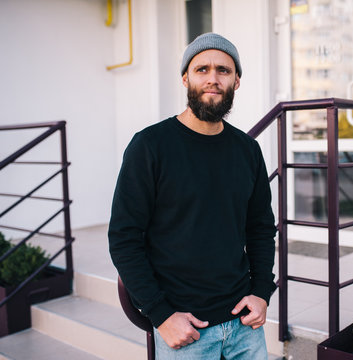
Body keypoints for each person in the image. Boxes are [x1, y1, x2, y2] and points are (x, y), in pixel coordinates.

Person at [108, 32, 277, 360]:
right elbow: (124, 238)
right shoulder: (150, 147)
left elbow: (260, 229)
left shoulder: (248, 151)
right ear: (186, 78)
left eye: (223, 71)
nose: (212, 79)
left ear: (236, 82)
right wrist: (161, 315)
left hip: (245, 326)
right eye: (202, 69)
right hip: (185, 330)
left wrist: (261, 293)